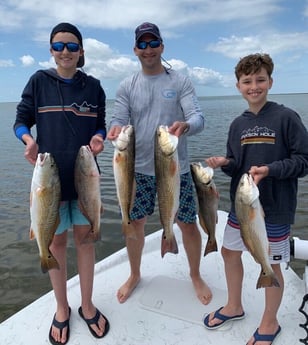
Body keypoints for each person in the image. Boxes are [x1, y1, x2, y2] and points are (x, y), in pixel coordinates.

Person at [13, 23, 110, 344]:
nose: (65, 51)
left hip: (85, 180)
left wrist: (98, 139)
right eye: (59, 46)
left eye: (72, 46)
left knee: (85, 242)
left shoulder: (93, 86)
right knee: (54, 245)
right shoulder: (39, 82)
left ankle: (87, 304)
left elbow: (99, 125)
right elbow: (21, 119)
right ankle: (61, 308)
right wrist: (28, 139)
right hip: (48, 182)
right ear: (51, 49)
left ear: (81, 51)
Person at [203, 53, 308, 344]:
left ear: (270, 82)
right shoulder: (238, 124)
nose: (254, 86)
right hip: (242, 206)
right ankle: (234, 306)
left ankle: (269, 322)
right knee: (228, 252)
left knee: (271, 266)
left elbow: (304, 160)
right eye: (247, 81)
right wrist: (225, 162)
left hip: (275, 210)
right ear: (238, 86)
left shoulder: (286, 117)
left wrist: (270, 170)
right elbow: (237, 163)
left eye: (260, 80)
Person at [107, 22, 212, 305]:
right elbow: (118, 118)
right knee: (134, 224)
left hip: (175, 170)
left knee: (188, 224)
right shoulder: (127, 85)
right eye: (143, 44)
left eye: (153, 43)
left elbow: (199, 118)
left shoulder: (180, 81)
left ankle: (195, 274)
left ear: (162, 46)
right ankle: (135, 274)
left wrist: (186, 126)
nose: (148, 49)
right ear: (135, 50)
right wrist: (115, 129)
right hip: (137, 170)